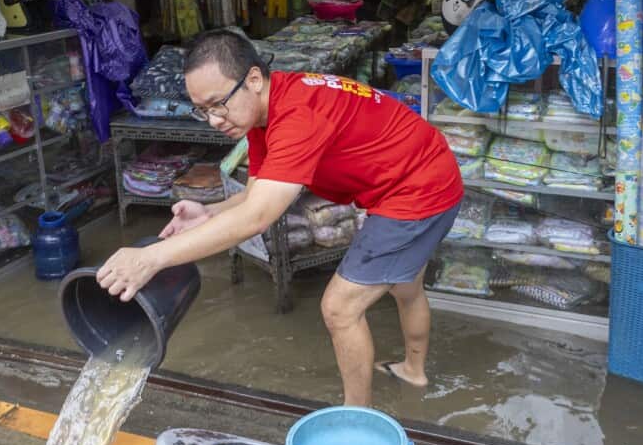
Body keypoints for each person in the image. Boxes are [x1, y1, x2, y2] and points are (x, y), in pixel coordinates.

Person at [96, 29, 464, 406]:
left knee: (340, 308)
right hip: (423, 171)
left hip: (418, 190)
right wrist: (208, 213)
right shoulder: (264, 110)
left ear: (253, 79)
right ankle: (413, 372)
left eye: (218, 104)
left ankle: (356, 418)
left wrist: (152, 257)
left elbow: (258, 216)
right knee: (405, 286)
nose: (213, 120)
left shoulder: (296, 117)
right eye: (202, 110)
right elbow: (257, 196)